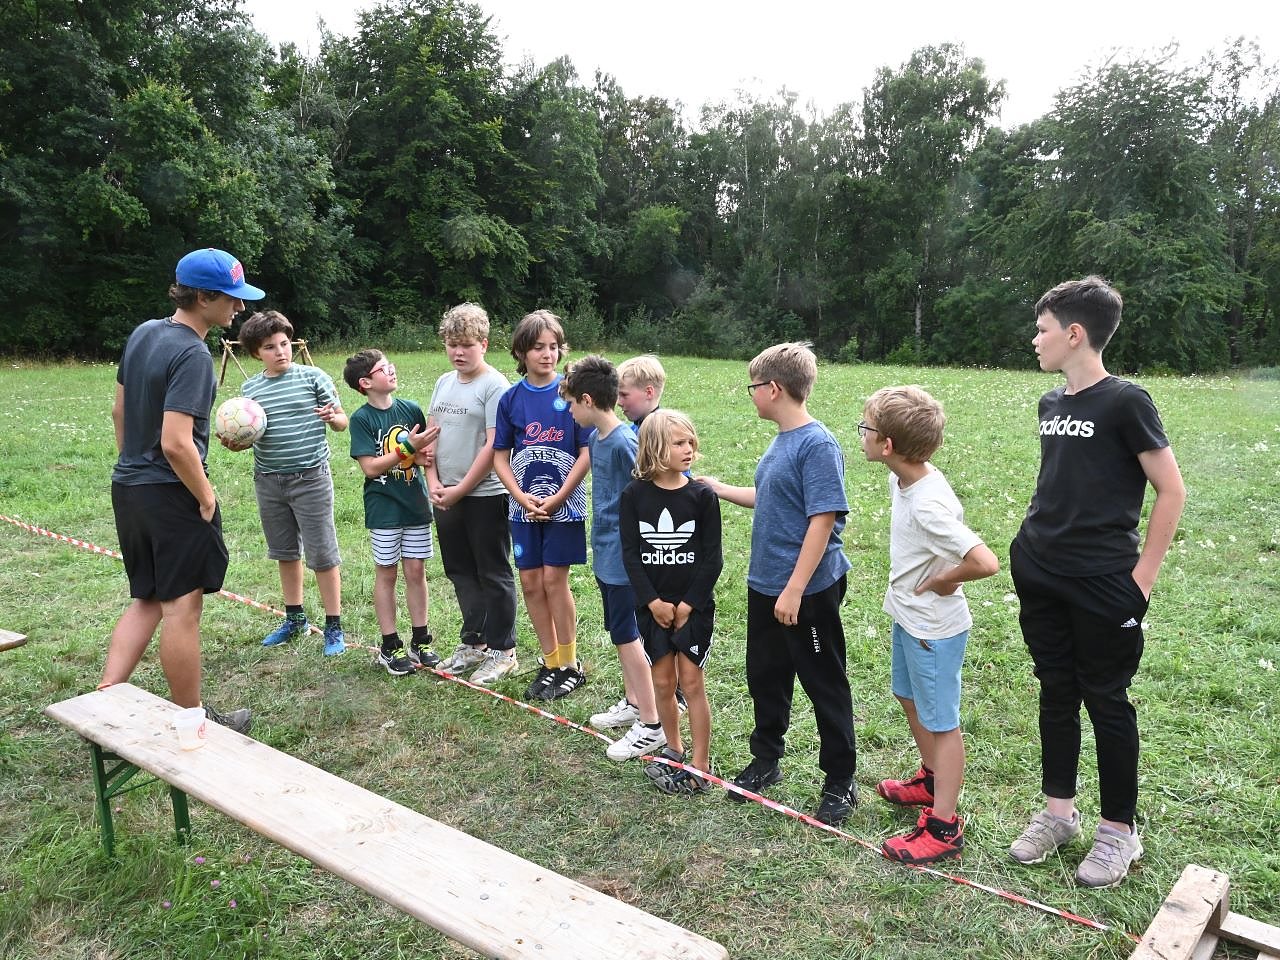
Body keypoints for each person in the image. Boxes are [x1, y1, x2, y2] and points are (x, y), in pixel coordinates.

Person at [1008, 276, 1185, 889]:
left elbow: (1171, 490)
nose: (1036, 339)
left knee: (1106, 699)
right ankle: (1058, 814)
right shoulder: (1051, 403)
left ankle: (1118, 832)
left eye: (1043, 329)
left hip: (1105, 582)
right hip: (1040, 571)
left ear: (1075, 334)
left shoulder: (1126, 402)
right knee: (1055, 690)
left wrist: (1141, 581)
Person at [99, 247, 262, 732]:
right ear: (203, 297)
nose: (239, 307)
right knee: (182, 608)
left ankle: (104, 702)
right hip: (171, 494)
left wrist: (135, 464)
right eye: (231, 298)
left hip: (129, 487)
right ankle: (193, 719)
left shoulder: (144, 333)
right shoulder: (193, 353)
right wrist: (206, 495)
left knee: (148, 597)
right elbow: (175, 442)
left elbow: (119, 412)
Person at [702, 342, 858, 826]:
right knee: (765, 676)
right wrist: (719, 489)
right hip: (766, 584)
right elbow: (773, 498)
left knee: (823, 681)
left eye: (753, 387)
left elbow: (823, 519)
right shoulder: (782, 441)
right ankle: (766, 759)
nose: (750, 395)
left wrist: (794, 590)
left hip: (805, 591)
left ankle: (840, 780)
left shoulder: (817, 444)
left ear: (773, 389)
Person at [859, 386, 999, 863]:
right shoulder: (904, 478)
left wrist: (944, 579)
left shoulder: (926, 504)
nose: (861, 434)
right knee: (907, 696)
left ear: (887, 446)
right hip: (908, 616)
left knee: (942, 723)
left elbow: (985, 562)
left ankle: (944, 826)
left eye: (866, 428)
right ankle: (933, 779)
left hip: (933, 630)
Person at [561, 356, 665, 760]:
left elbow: (655, 489)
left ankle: (652, 725)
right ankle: (635, 703)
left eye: (572, 403)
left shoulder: (624, 442)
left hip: (626, 559)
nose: (570, 411)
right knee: (620, 633)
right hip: (605, 552)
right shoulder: (595, 440)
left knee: (627, 635)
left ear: (588, 400)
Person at [234, 309, 348, 657]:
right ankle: (295, 619)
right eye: (270, 347)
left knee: (322, 554)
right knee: (284, 552)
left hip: (310, 478)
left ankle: (333, 625)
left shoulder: (313, 377)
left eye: (284, 344)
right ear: (257, 353)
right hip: (269, 481)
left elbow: (342, 421)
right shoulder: (250, 389)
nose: (280, 351)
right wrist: (237, 442)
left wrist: (333, 417)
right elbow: (250, 434)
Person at [621, 409, 723, 794]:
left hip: (692, 609)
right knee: (663, 682)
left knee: (692, 682)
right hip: (653, 610)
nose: (688, 449)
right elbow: (631, 555)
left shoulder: (702, 496)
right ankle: (674, 750)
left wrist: (687, 605)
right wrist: (653, 602)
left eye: (690, 442)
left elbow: (712, 558)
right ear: (654, 448)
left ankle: (701, 764)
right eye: (679, 443)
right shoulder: (634, 496)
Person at [492, 310, 591, 701]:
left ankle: (570, 665)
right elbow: (500, 456)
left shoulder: (572, 395)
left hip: (564, 504)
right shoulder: (510, 399)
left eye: (553, 347)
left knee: (554, 580)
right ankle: (550, 663)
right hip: (523, 507)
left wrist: (558, 496)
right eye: (538, 347)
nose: (547, 354)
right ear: (521, 352)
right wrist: (520, 497)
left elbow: (586, 452)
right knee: (531, 582)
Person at [424, 303, 519, 685]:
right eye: (452, 344)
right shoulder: (443, 382)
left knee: (492, 572)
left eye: (466, 345)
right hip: (444, 494)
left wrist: (461, 489)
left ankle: (503, 651)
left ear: (484, 344)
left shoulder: (495, 386)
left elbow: (495, 446)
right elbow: (430, 436)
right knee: (460, 571)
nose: (458, 352)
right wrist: (432, 480)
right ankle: (474, 643)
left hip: (484, 496)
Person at [343, 349, 441, 676]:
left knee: (416, 571)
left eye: (391, 365)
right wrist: (408, 448)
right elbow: (371, 467)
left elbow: (424, 456)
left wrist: (422, 458)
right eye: (384, 369)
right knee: (387, 573)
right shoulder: (362, 419)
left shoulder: (410, 409)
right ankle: (390, 644)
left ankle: (421, 640)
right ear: (366, 383)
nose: (392, 371)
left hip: (415, 505)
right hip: (384, 508)